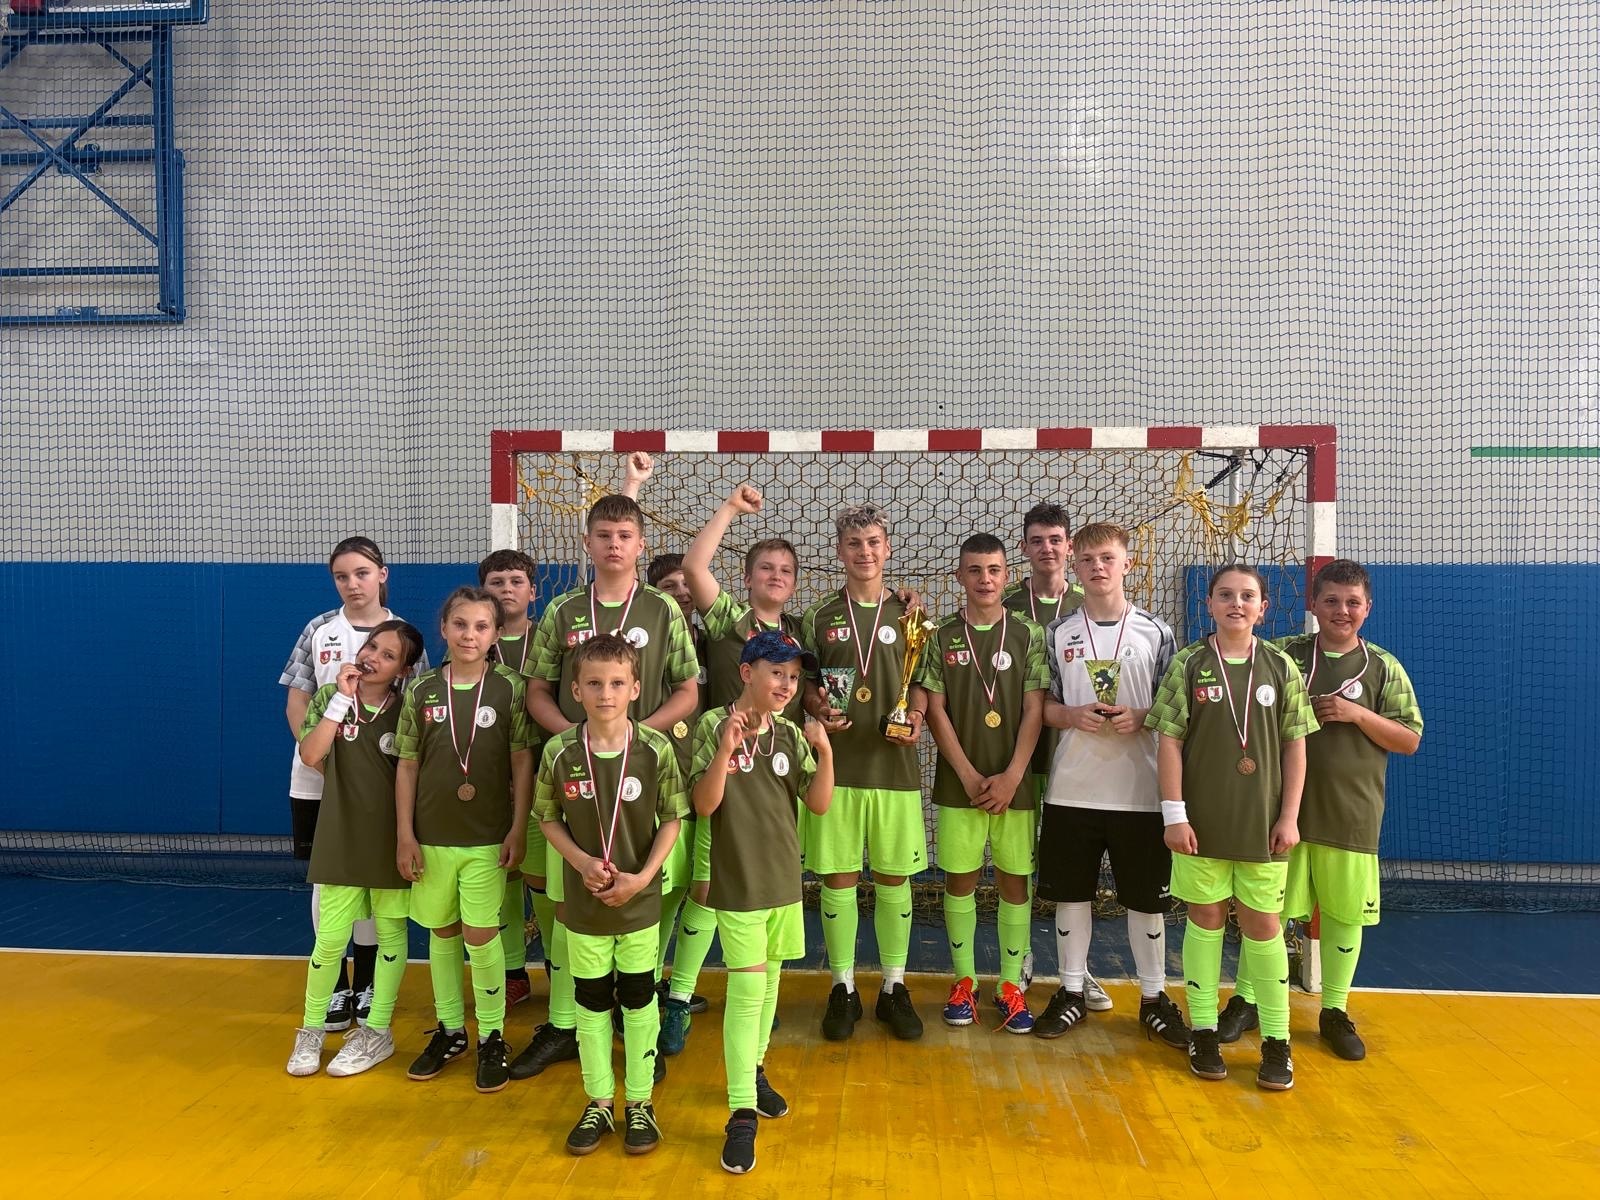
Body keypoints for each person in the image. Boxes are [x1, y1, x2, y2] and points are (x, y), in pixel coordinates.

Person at [516, 493, 699, 1080]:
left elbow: (688, 691)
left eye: (624, 535)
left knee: (645, 901)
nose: (614, 544)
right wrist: (577, 738)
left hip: (642, 774)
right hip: (576, 776)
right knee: (565, 901)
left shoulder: (663, 609)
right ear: (588, 543)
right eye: (603, 535)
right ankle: (565, 1025)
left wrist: (635, 736)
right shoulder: (562, 610)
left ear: (640, 544)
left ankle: (637, 1027)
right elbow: (537, 690)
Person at [1219, 559, 1423, 1061]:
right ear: (1312, 604)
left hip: (1350, 813)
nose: (1341, 610)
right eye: (1331, 600)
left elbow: (1409, 739)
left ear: (1368, 608)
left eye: (1353, 602)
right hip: (1278, 812)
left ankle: (1334, 1009)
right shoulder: (1282, 655)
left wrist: (1357, 714)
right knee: (1264, 913)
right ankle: (1246, 1000)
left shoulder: (1384, 667)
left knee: (1342, 913)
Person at [1146, 564, 1317, 1090]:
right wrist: (1174, 814)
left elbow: (1295, 745)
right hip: (1201, 823)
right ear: (1210, 605)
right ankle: (1202, 1031)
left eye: (1247, 596)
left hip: (1263, 824)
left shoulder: (1281, 667)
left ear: (1263, 608)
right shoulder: (1188, 664)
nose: (1236, 604)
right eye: (1225, 595)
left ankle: (1277, 1041)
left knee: (1264, 926)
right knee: (1206, 919)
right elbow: (1169, 741)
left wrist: (1289, 816)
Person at [656, 483, 805, 1056]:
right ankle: (676, 999)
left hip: (770, 785)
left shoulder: (797, 637)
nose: (775, 575)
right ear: (746, 578)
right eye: (765, 567)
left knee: (751, 893)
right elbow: (696, 566)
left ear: (794, 582)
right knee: (703, 888)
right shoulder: (728, 620)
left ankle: (750, 994)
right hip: (717, 771)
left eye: (785, 570)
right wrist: (731, 509)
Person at [1035, 524, 1188, 1048]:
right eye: (1087, 560)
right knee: (1070, 896)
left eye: (1107, 558)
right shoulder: (1058, 633)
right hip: (1071, 790)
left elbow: (1173, 709)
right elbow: (1044, 707)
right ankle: (1071, 991)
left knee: (1146, 901)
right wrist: (1070, 714)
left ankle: (1154, 999)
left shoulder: (1157, 632)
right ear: (1074, 567)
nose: (1097, 567)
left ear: (1127, 564)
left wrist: (1143, 716)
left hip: (1140, 791)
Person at [535, 634, 687, 1156]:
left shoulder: (656, 748)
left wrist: (642, 878)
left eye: (617, 683)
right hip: (585, 904)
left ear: (635, 688)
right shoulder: (559, 751)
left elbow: (672, 819)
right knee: (592, 1002)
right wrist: (581, 863)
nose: (606, 693)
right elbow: (547, 817)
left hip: (639, 901)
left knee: (641, 1000)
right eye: (594, 683)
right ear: (576, 689)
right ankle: (599, 1100)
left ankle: (640, 1102)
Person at [692, 630, 833, 1173]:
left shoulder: (791, 735)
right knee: (748, 993)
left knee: (771, 984)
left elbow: (817, 804)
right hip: (740, 883)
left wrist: (825, 752)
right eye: (777, 672)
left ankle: (753, 1070)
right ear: (746, 672)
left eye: (794, 677)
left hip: (782, 882)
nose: (787, 684)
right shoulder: (714, 725)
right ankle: (740, 1114)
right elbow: (704, 805)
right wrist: (725, 750)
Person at [280, 536, 427, 1030]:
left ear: (382, 575)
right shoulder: (318, 629)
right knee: (328, 882)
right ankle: (335, 988)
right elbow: (297, 702)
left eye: (361, 573)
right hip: (317, 778)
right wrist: (327, 763)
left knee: (373, 881)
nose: (352, 584)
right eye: (341, 576)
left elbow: (416, 713)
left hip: (378, 787)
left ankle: (366, 982)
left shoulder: (403, 635)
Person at [395, 587, 535, 1093]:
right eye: (460, 624)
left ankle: (493, 1035)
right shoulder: (421, 689)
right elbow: (407, 764)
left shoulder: (511, 687)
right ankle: (451, 1029)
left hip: (487, 836)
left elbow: (522, 760)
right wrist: (405, 834)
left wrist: (517, 826)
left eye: (480, 626)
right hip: (432, 835)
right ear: (444, 629)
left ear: (496, 634)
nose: (469, 635)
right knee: (443, 932)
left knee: (481, 934)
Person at [801, 503, 926, 1042]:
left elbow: (921, 681)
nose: (864, 552)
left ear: (888, 548)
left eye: (873, 542)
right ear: (839, 551)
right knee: (838, 879)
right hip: (838, 768)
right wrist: (817, 708)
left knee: (894, 878)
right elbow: (806, 684)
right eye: (854, 543)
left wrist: (915, 716)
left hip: (894, 768)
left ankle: (894, 987)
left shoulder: (912, 613)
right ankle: (843, 987)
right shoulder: (818, 616)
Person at [917, 534, 1049, 1033]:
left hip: (1016, 784)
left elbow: (1035, 709)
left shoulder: (1029, 633)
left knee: (1015, 880)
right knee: (960, 880)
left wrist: (1013, 775)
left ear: (1006, 575)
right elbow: (934, 709)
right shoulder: (941, 635)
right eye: (974, 570)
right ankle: (965, 981)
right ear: (960, 576)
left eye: (993, 570)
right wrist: (968, 774)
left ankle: (1011, 985)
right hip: (961, 785)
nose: (985, 579)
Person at [1002, 502, 1109, 1011]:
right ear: (1024, 548)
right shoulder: (1002, 603)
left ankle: (1077, 970)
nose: (1047, 548)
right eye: (1037, 540)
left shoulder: (1093, 604)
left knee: (1076, 866)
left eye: (1056, 539)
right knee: (1019, 864)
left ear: (1069, 547)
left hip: (1078, 757)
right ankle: (1019, 959)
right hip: (1019, 756)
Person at [479, 548, 541, 1009]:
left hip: (544, 776)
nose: (506, 589)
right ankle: (513, 970)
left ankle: (560, 970)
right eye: (496, 582)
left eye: (516, 581)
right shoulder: (473, 643)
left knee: (542, 878)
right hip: (489, 780)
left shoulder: (551, 638)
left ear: (533, 591)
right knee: (505, 874)